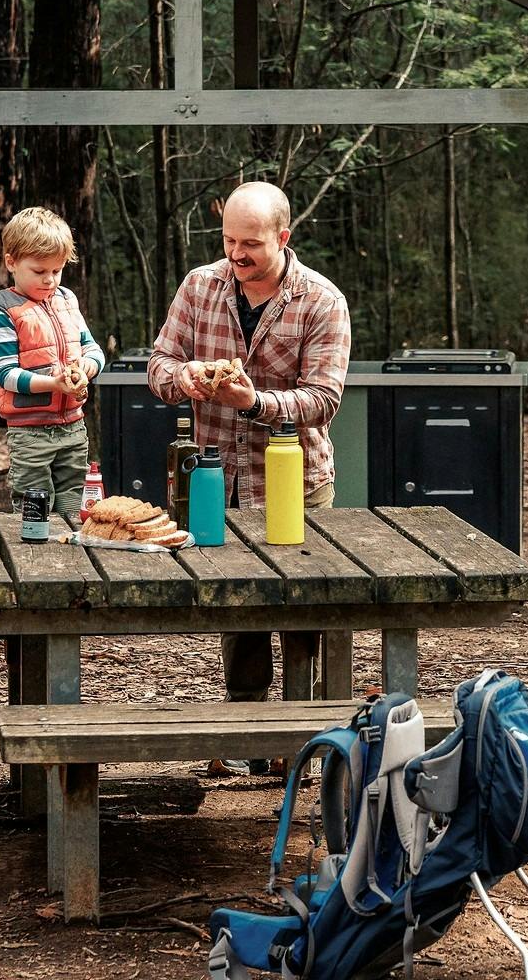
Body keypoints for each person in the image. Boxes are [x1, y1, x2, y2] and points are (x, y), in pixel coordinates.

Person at [148, 181, 352, 755]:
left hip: (296, 481)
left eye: (251, 245)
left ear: (283, 239)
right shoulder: (199, 285)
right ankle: (246, 736)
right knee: (237, 612)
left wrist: (254, 403)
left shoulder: (321, 300)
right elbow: (159, 362)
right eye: (228, 240)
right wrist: (181, 380)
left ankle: (306, 737)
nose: (236, 254)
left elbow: (323, 399)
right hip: (216, 477)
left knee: (303, 613)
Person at [0, 206, 106, 519]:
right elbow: (5, 374)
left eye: (57, 270)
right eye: (39, 272)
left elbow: (93, 348)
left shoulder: (67, 300)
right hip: (30, 432)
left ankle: (71, 562)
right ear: (11, 261)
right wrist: (53, 383)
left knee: (71, 505)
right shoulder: (3, 311)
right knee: (33, 506)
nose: (50, 280)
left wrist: (86, 369)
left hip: (73, 425)